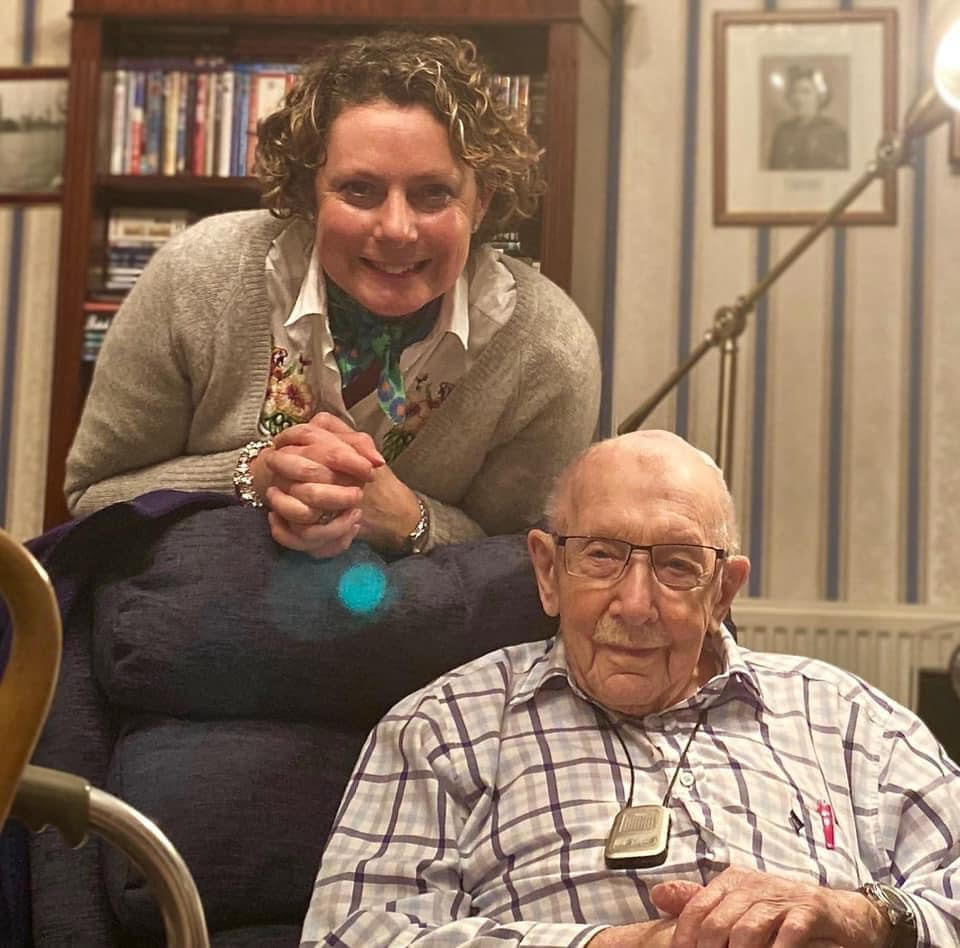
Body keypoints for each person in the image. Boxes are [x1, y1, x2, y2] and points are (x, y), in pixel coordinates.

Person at [301, 430, 960, 947]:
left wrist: (865, 916)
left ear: (722, 592)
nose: (636, 603)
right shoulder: (446, 727)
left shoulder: (847, 719)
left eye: (678, 566)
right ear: (548, 571)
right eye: (602, 556)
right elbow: (349, 935)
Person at [65, 32, 600, 558]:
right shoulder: (198, 278)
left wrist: (412, 521)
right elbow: (90, 499)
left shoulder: (548, 353)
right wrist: (253, 476)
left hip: (426, 644)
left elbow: (533, 566)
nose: (396, 228)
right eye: (359, 190)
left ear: (481, 202)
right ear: (307, 192)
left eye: (432, 193)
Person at [768, 64, 848, 171]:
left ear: (820, 97)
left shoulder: (835, 132)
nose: (798, 98)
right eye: (795, 91)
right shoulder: (782, 132)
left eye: (806, 92)